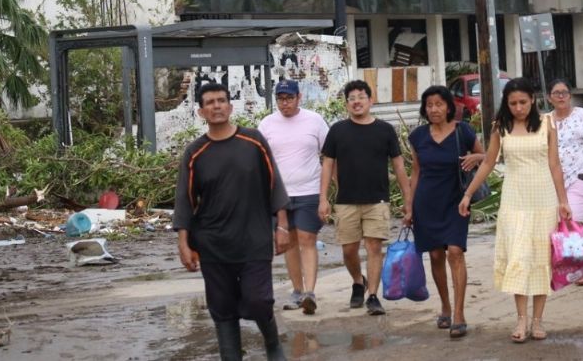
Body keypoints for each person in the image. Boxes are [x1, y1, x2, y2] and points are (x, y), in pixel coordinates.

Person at [174, 82, 291, 361]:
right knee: (222, 306)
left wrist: (283, 226)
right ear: (201, 112)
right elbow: (185, 200)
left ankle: (272, 344)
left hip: (254, 239)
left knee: (258, 299)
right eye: (210, 102)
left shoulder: (253, 142)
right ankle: (230, 354)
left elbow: (274, 184)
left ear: (230, 106)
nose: (217, 106)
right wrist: (183, 243)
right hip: (213, 243)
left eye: (221, 100)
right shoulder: (194, 153)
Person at [459, 78, 571, 343]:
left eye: (523, 102)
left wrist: (563, 201)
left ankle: (538, 320)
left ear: (532, 100)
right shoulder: (501, 127)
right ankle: (521, 319)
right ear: (506, 105)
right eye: (513, 103)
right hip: (514, 200)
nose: (518, 108)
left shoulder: (547, 124)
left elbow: (555, 165)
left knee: (541, 258)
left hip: (543, 199)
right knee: (519, 256)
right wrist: (468, 193)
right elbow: (488, 162)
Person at [318, 80, 412, 316]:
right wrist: (323, 198)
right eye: (352, 98)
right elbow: (327, 164)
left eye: (361, 96)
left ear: (371, 100)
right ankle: (358, 281)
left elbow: (399, 167)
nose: (357, 101)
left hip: (377, 200)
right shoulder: (338, 130)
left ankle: (372, 296)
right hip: (346, 201)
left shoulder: (385, 130)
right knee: (349, 251)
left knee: (374, 247)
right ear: (347, 104)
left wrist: (408, 200)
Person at [404, 85, 485, 339]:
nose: (434, 109)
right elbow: (416, 172)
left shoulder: (463, 130)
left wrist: (476, 158)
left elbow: (486, 155)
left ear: (449, 106)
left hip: (456, 201)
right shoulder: (417, 136)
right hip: (426, 202)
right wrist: (409, 206)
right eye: (429, 105)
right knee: (436, 255)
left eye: (439, 104)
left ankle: (459, 314)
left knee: (455, 252)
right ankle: (445, 307)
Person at [258, 80, 330, 315]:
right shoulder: (267, 124)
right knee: (288, 242)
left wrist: (326, 195)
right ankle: (298, 291)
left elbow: (328, 156)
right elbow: (260, 161)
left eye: (289, 98)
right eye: (280, 99)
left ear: (299, 97)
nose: (284, 103)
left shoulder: (315, 121)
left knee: (308, 239)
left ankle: (310, 292)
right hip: (279, 195)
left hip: (309, 190)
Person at [548, 79, 583, 286]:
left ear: (570, 96)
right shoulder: (546, 120)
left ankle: (581, 267)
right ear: (549, 98)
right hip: (554, 179)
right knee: (558, 223)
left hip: (580, 175)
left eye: (564, 92)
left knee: (574, 221)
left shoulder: (582, 115)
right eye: (556, 93)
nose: (561, 96)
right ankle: (564, 264)